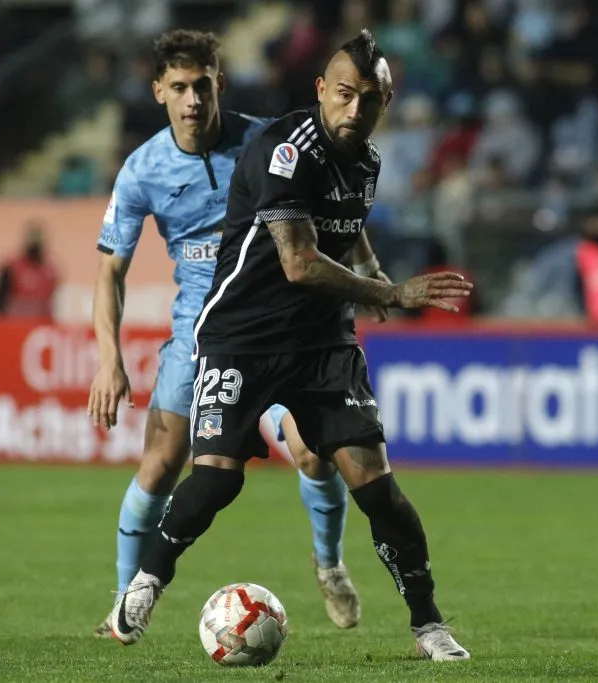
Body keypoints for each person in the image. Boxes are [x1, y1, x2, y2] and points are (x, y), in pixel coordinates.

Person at [109, 29, 474, 662]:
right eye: (342, 96)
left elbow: (345, 237)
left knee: (376, 485)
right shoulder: (284, 149)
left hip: (322, 342)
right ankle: (146, 581)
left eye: (368, 99)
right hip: (241, 336)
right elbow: (300, 262)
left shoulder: (367, 162)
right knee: (216, 482)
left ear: (385, 101)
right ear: (320, 91)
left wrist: (374, 277)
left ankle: (428, 626)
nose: (353, 111)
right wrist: (390, 295)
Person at [88, 29, 359, 638]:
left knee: (314, 454)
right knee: (159, 464)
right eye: (179, 87)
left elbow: (333, 207)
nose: (192, 100)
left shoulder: (269, 141)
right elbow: (110, 271)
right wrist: (109, 361)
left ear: (219, 83)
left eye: (202, 85)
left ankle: (329, 563)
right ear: (159, 91)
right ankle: (126, 603)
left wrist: (363, 267)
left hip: (285, 320)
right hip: (200, 331)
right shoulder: (142, 171)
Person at [0, 222, 59, 321]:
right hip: (15, 323)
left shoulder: (50, 271)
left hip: (41, 322)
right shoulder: (11, 267)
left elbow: (51, 300)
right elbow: (0, 299)